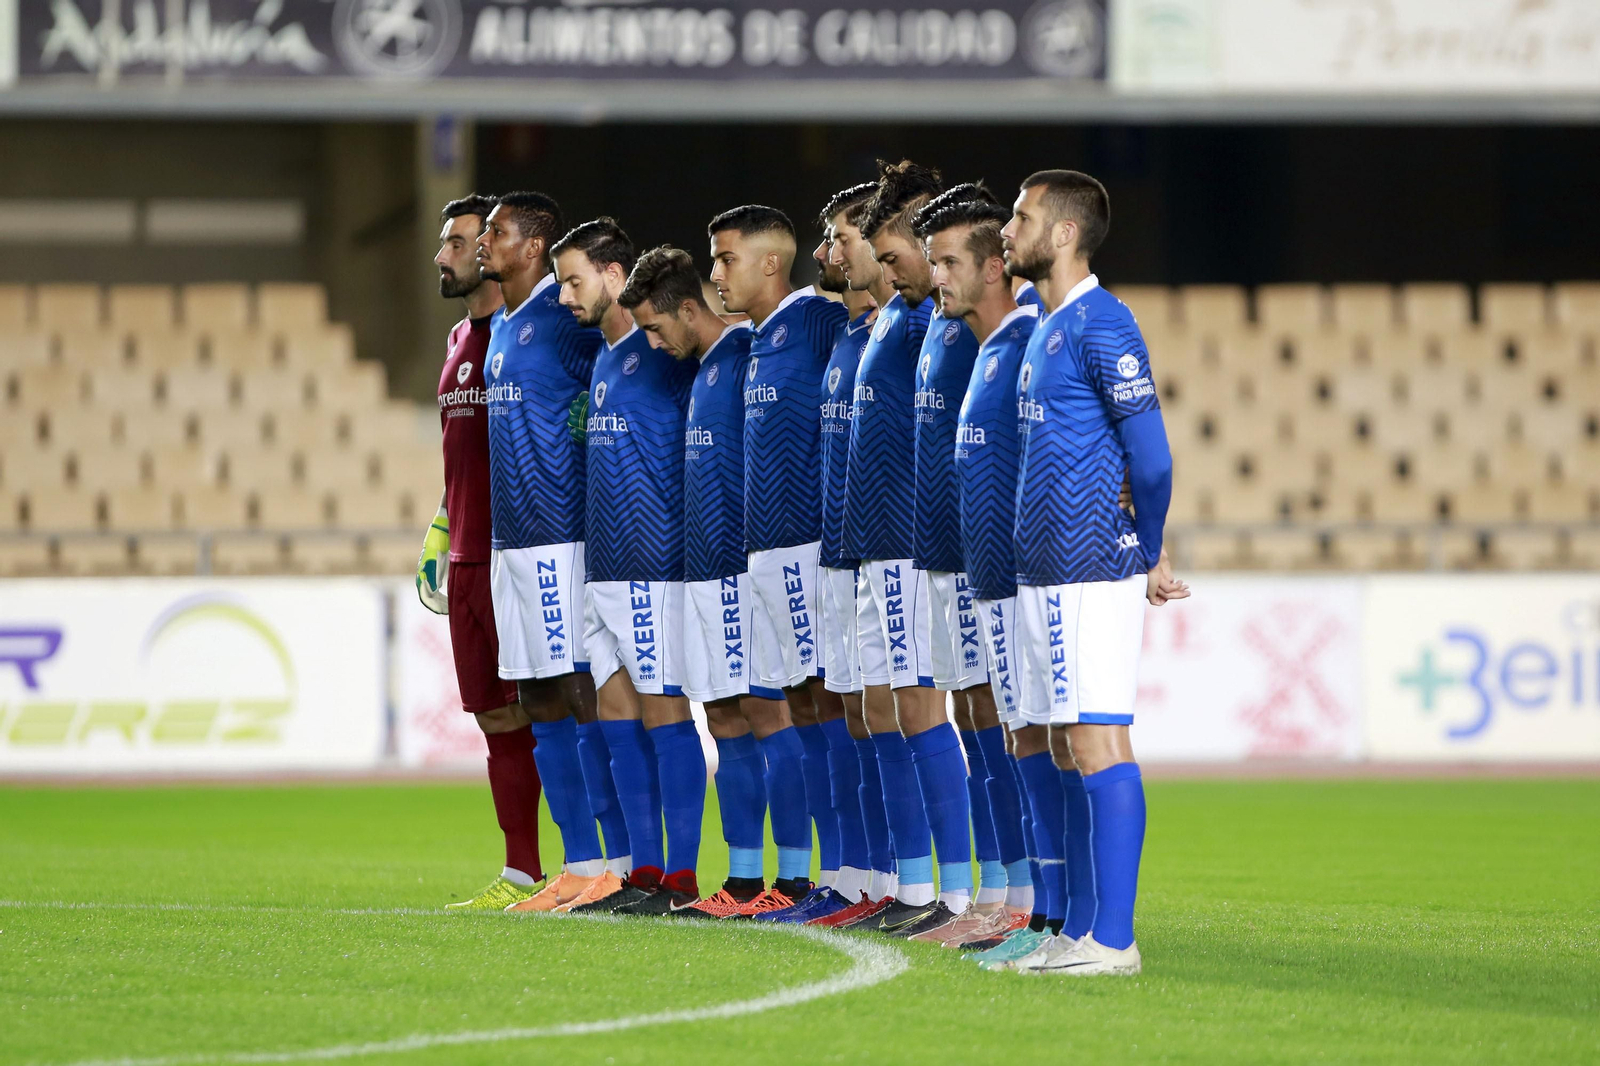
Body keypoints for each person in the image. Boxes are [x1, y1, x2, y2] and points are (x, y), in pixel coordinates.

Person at [994, 169, 1189, 975]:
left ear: (1065, 233)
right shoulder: (1048, 323)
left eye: (1022, 215)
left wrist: (1144, 546)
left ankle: (1114, 941)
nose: (1009, 228)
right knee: (1073, 744)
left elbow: (1152, 457)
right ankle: (1080, 933)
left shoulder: (1104, 324)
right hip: (1044, 571)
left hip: (1087, 567)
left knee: (1099, 739)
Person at [472, 192, 635, 914]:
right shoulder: (505, 324)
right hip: (513, 539)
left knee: (578, 691)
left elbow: (619, 368)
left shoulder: (560, 317)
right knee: (537, 698)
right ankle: (578, 864)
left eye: (498, 233)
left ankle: (622, 861)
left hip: (564, 533)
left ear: (534, 245)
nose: (485, 243)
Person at [613, 244, 779, 919]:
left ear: (689, 308)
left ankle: (788, 878)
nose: (654, 343)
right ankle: (742, 880)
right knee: (724, 717)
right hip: (704, 569)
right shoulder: (706, 367)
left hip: (741, 568)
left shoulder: (743, 356)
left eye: (656, 327)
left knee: (764, 716)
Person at [554, 219, 705, 915]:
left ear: (615, 278)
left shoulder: (670, 357)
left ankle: (680, 877)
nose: (564, 297)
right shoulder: (608, 358)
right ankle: (642, 872)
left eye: (574, 281)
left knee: (663, 710)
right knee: (615, 713)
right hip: (603, 569)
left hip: (655, 564)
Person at [838, 159, 971, 938]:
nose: (882, 268)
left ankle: (953, 892)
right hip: (878, 541)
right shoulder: (898, 318)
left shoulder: (937, 323)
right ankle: (915, 883)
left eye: (890, 255)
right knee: (888, 708)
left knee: (924, 709)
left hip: (916, 544)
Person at [908, 185, 1039, 947]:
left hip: (1020, 579)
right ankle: (1005, 894)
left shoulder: (1028, 341)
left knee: (1028, 735)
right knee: (985, 722)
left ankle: (1036, 904)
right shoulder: (983, 346)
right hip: (973, 567)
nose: (938, 279)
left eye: (949, 262)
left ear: (994, 268)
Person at [708, 205, 849, 913]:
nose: (715, 275)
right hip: (764, 553)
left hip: (808, 549)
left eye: (725, 258)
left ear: (770, 261)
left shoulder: (819, 324)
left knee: (824, 706)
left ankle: (833, 875)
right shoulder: (754, 342)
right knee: (798, 704)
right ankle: (811, 878)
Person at [418, 195, 543, 913]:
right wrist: (441, 525)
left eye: (460, 242)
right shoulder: (457, 342)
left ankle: (602, 866)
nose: (445, 255)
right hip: (467, 555)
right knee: (495, 717)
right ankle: (522, 873)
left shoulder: (525, 338)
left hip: (517, 555)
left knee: (553, 710)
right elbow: (460, 457)